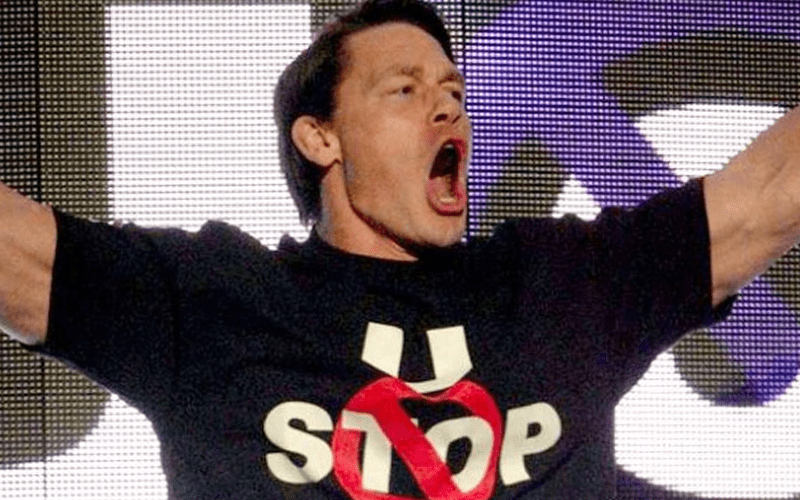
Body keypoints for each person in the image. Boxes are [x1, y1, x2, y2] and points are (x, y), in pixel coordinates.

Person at [2, 0, 800, 498]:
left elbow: (768, 196)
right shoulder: (213, 302)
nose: (448, 110)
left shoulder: (561, 285)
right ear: (321, 137)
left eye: (454, 92)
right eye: (406, 90)